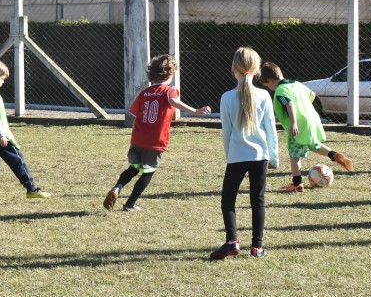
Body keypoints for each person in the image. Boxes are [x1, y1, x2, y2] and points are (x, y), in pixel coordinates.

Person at [104, 54, 211, 212]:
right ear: (171, 73)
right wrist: (195, 111)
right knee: (148, 171)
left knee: (133, 168)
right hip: (155, 140)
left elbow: (135, 113)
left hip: (138, 139)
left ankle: (117, 188)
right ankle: (130, 204)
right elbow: (174, 101)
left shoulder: (144, 93)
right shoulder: (168, 91)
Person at [210, 47, 279, 259]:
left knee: (227, 200)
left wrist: (228, 155)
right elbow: (271, 129)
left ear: (233, 69)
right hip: (260, 156)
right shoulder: (264, 95)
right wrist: (274, 157)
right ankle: (257, 247)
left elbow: (227, 132)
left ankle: (232, 241)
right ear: (257, 70)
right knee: (257, 200)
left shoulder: (226, 97)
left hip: (237, 156)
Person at [258, 61, 353, 192]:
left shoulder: (281, 90)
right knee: (313, 144)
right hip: (311, 119)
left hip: (298, 124)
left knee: (294, 155)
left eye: (267, 85)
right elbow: (312, 95)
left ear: (270, 80)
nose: (269, 88)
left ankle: (297, 183)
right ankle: (333, 154)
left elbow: (289, 104)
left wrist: (294, 123)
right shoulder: (296, 84)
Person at [0, 58, 51, 204]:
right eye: (2, 78)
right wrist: (0, 135)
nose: (3, 82)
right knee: (18, 161)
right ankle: (31, 189)